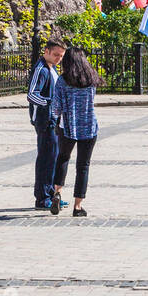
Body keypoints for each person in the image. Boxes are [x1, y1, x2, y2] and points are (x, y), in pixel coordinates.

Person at [49, 46, 98, 218]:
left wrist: (55, 117)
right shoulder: (91, 78)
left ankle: (57, 192)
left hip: (68, 126)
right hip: (89, 126)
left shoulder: (63, 80)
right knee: (83, 166)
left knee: (62, 158)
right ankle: (77, 206)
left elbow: (56, 107)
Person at [28, 39, 66, 211]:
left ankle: (51, 194)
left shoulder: (52, 68)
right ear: (47, 52)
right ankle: (42, 198)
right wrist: (49, 103)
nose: (59, 58)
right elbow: (31, 95)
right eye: (56, 54)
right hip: (45, 121)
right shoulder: (41, 69)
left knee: (53, 158)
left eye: (61, 56)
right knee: (46, 159)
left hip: (54, 120)